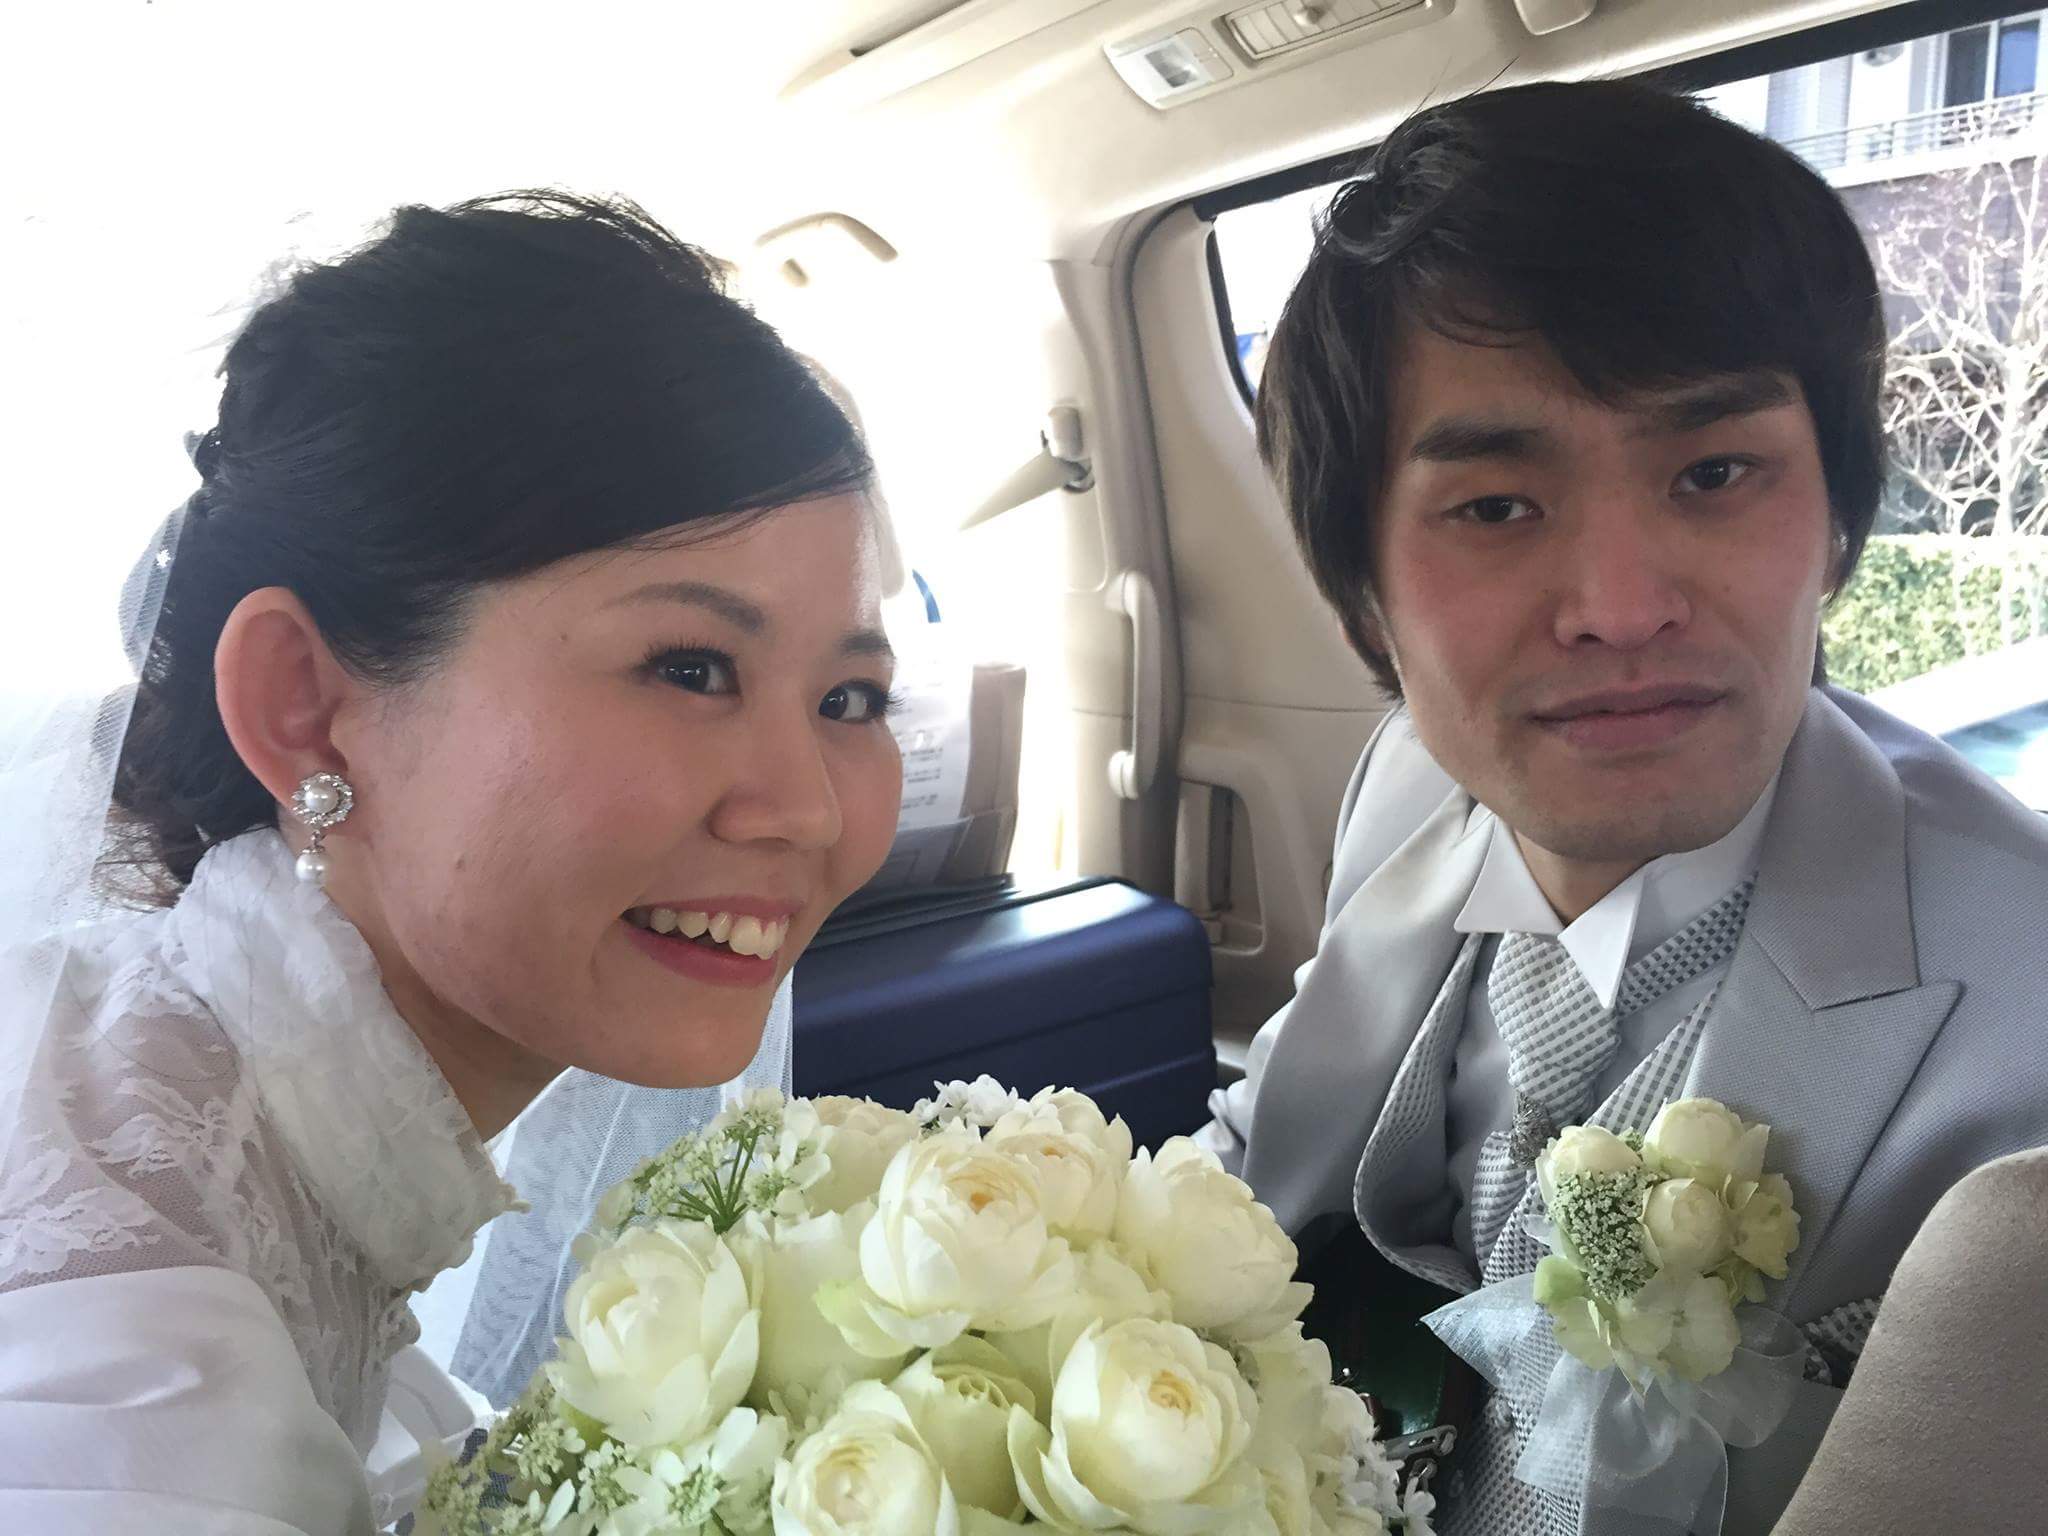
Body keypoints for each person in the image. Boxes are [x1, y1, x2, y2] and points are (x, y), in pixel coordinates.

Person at [1200, 80, 2048, 1534]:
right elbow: (1259, 1150)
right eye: (1495, 508)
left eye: (1715, 473)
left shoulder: (2027, 1017)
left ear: (1838, 528)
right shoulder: (1410, 784)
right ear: (1361, 599)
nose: (1620, 606)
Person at [0, 191, 904, 1533]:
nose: (809, 811)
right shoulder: (143, 1392)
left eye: (848, 699)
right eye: (690, 668)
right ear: (305, 707)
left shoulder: (202, 1104)